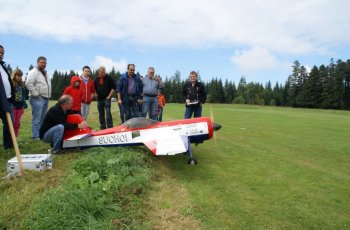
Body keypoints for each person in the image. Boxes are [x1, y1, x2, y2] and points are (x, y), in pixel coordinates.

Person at [26, 56, 51, 140]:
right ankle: (35, 136)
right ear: (37, 63)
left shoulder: (45, 73)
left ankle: (40, 135)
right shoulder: (33, 72)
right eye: (42, 62)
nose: (44, 64)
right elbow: (28, 83)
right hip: (37, 98)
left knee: (42, 118)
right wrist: (36, 94)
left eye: (45, 63)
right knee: (37, 118)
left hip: (45, 98)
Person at [0, 45, 15, 149]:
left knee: (9, 124)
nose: (1, 55)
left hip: (7, 100)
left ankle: (8, 145)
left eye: (2, 53)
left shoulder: (3, 67)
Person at [11, 69, 28, 137]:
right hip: (13, 108)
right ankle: (11, 139)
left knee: (17, 124)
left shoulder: (21, 85)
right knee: (12, 123)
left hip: (20, 108)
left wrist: (24, 104)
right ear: (14, 75)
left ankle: (15, 137)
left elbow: (23, 96)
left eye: (21, 76)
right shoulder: (11, 84)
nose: (19, 77)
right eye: (18, 75)